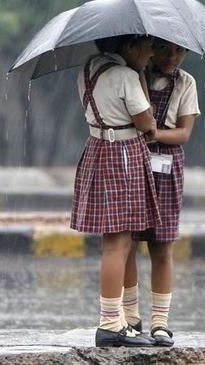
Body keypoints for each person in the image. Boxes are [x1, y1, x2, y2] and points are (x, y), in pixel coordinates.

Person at [70, 34, 161, 347]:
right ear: (130, 46)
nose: (151, 54)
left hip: (97, 149)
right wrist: (139, 79)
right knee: (117, 242)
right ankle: (110, 323)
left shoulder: (88, 68)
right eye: (148, 47)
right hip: (121, 154)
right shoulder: (125, 76)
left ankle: (123, 320)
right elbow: (147, 123)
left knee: (118, 242)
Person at [122, 38, 200, 347]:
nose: (173, 57)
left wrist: (155, 133)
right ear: (150, 48)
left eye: (180, 51)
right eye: (165, 49)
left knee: (162, 244)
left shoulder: (186, 83)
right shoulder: (134, 75)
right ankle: (129, 316)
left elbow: (183, 132)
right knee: (127, 241)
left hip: (167, 163)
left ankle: (160, 322)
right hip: (134, 160)